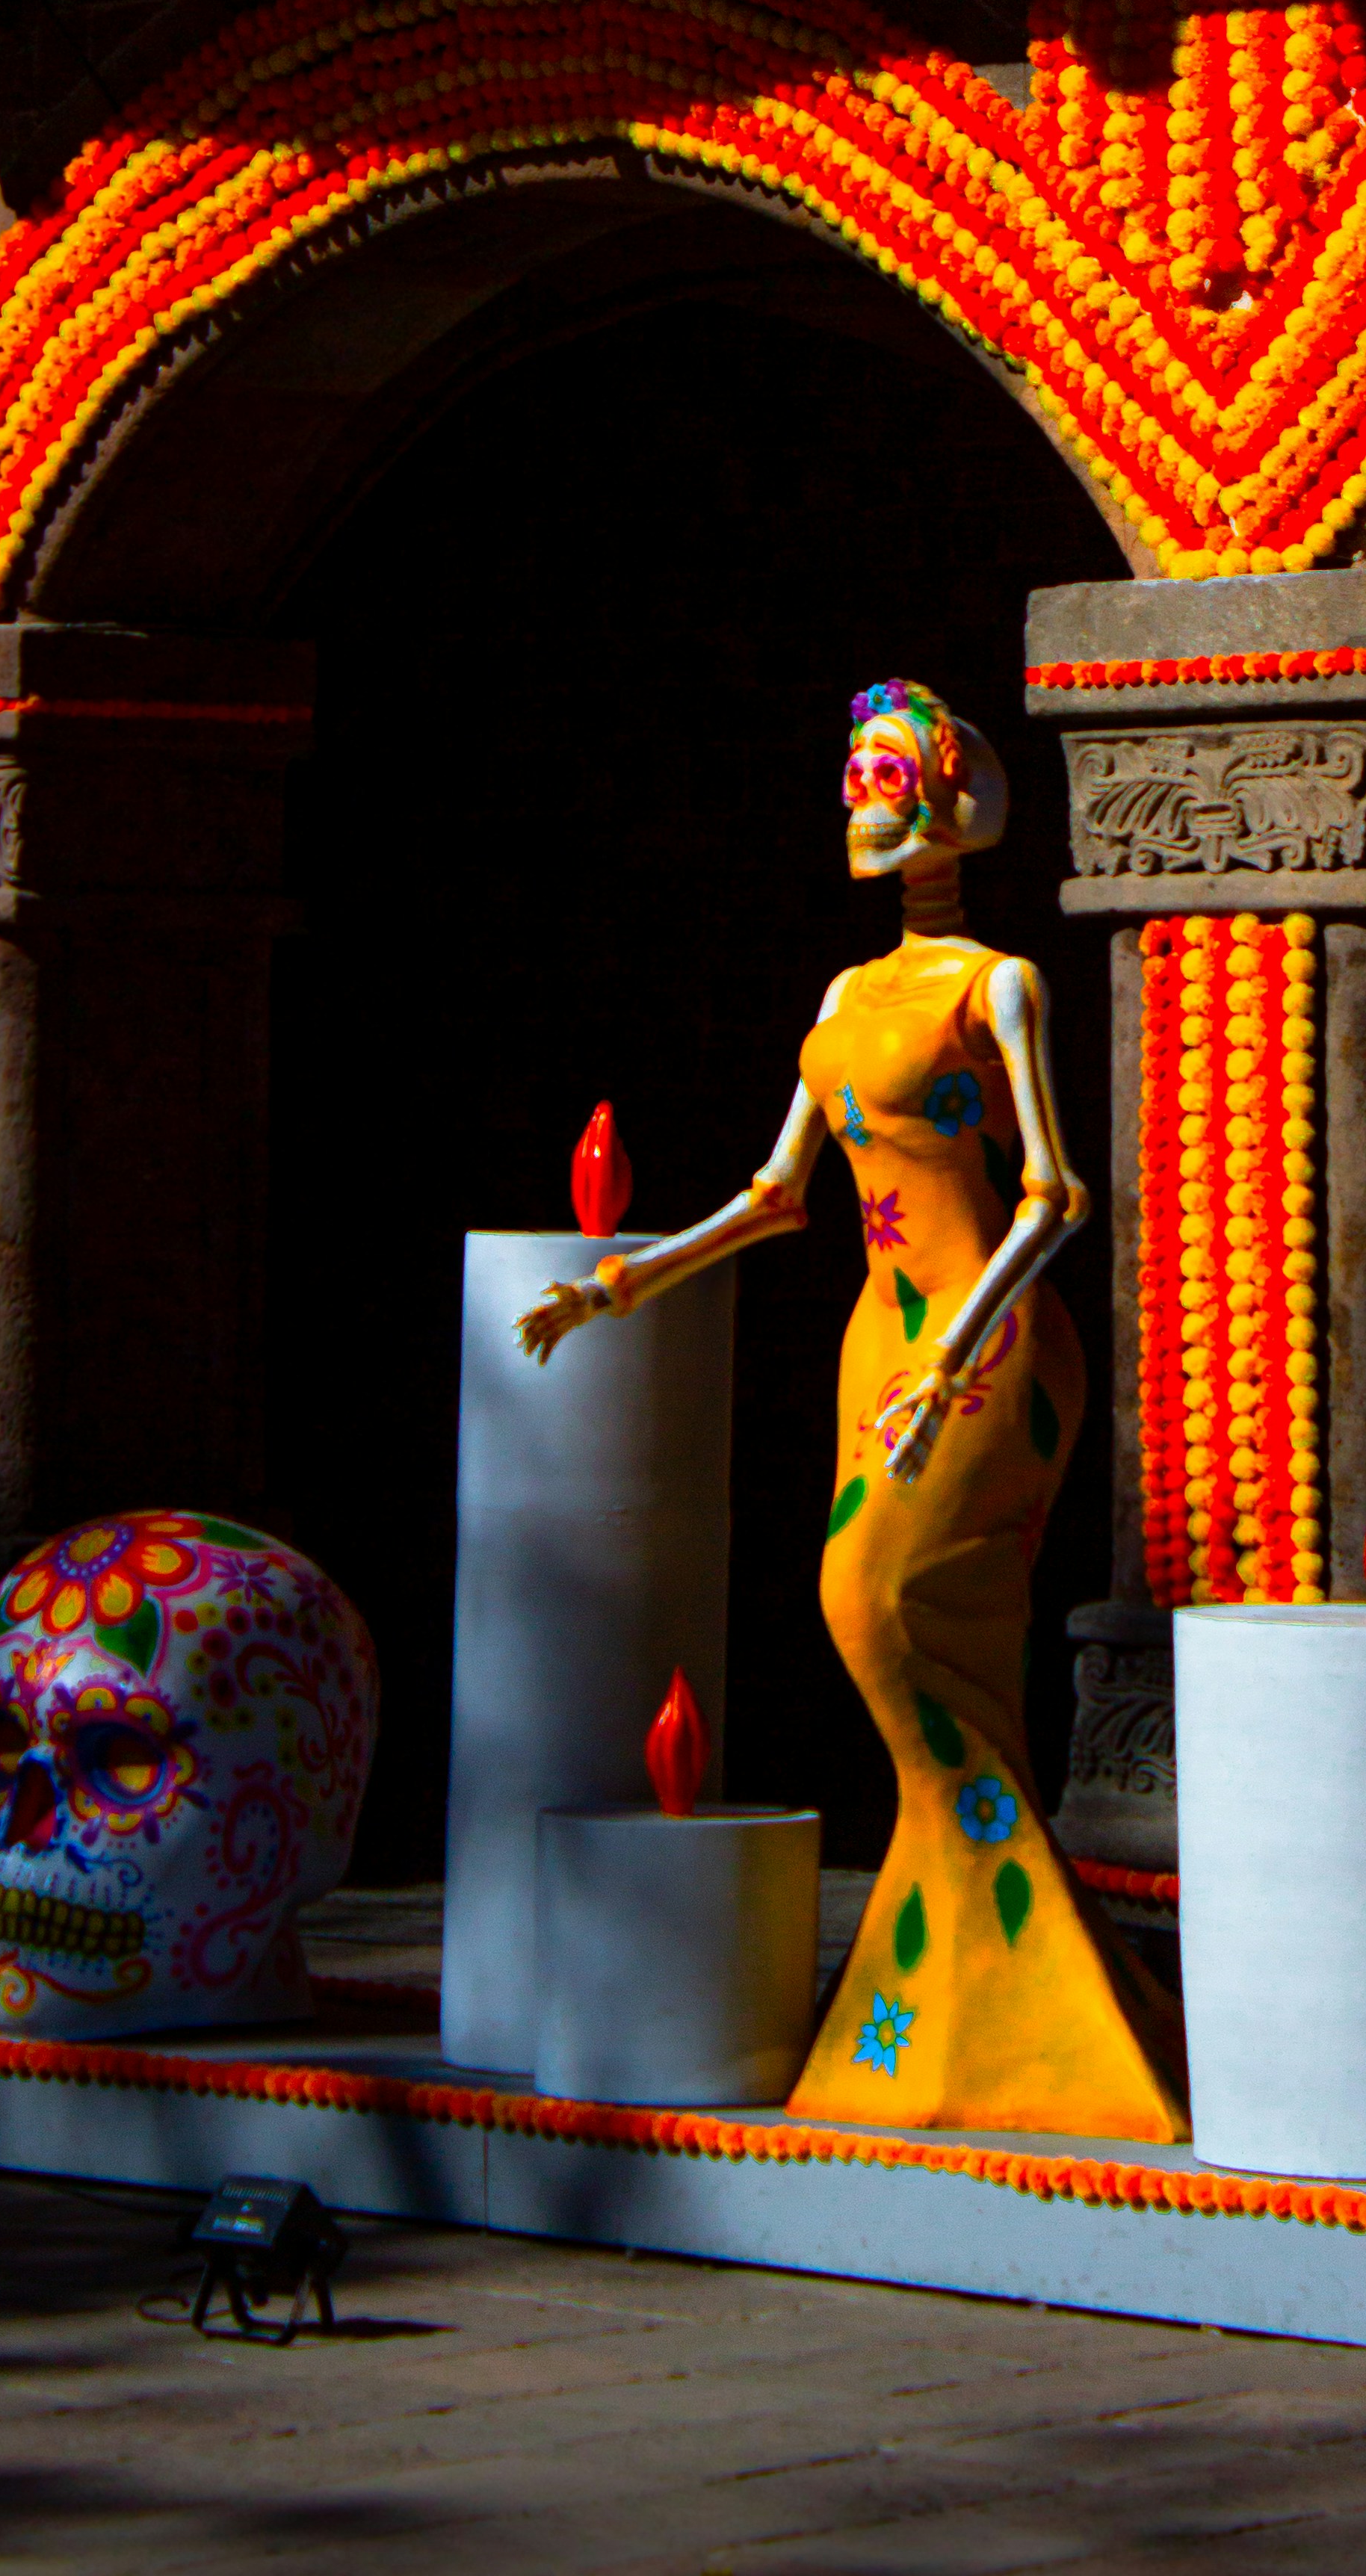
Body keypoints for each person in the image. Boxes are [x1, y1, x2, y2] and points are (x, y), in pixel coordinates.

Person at [519, 678, 1187, 2137]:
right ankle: (988, 1948)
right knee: (906, 1634)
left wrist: (961, 1349)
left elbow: (1058, 1193)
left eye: (889, 777)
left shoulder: (992, 984)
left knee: (873, 1599)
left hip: (990, 1337)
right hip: (874, 1345)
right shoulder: (844, 998)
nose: (864, 804)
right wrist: (620, 1284)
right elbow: (779, 1196)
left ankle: (992, 1931)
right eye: (851, 780)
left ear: (952, 804)